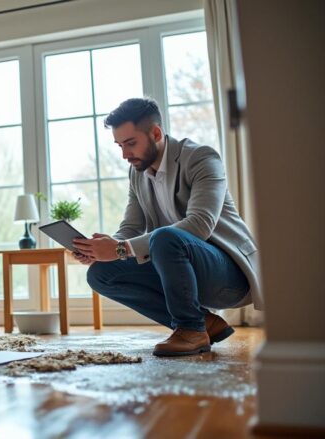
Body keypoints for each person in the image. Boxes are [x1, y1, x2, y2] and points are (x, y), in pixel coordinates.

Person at [72, 97, 262, 357]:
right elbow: (131, 227)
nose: (125, 155)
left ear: (156, 133)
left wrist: (120, 249)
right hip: (178, 267)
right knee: (100, 274)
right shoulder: (137, 172)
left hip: (228, 275)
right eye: (119, 145)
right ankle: (203, 323)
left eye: (130, 143)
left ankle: (191, 329)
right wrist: (102, 250)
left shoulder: (201, 158)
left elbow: (200, 224)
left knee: (165, 237)